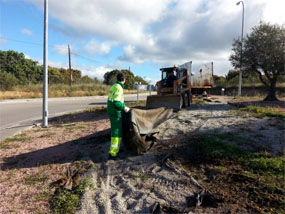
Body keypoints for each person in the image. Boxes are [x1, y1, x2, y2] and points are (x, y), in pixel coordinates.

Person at [107, 73, 130, 159]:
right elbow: (116, 102)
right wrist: (124, 107)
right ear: (124, 80)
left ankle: (116, 148)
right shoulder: (118, 88)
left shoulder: (114, 86)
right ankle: (113, 153)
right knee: (116, 133)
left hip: (112, 111)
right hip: (115, 113)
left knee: (117, 131)